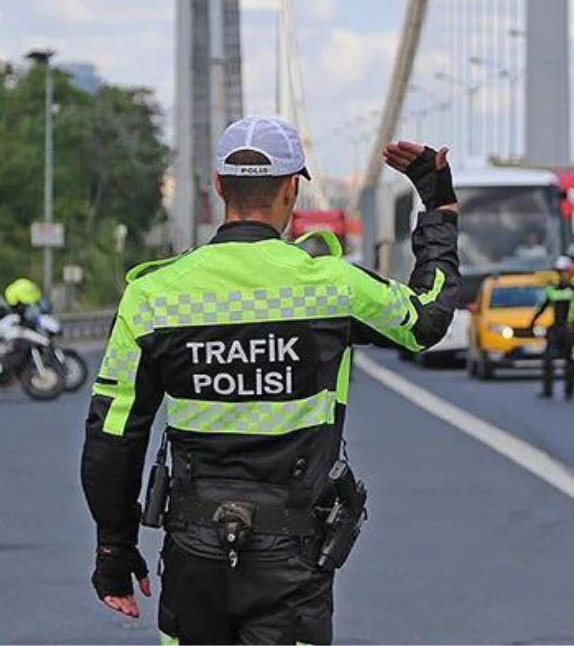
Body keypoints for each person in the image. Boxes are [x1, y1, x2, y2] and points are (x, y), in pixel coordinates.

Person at [80, 114, 460, 645]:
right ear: (291, 188)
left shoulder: (154, 296)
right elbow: (428, 319)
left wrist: (113, 550)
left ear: (218, 187)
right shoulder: (332, 285)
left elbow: (112, 436)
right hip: (293, 556)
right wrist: (437, 207)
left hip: (194, 551)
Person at [528, 256, 574, 401]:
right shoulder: (552, 289)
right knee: (548, 359)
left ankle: (569, 391)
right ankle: (547, 390)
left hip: (570, 328)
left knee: (570, 361)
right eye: (560, 272)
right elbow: (542, 306)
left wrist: (568, 283)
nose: (562, 275)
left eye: (565, 272)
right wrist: (532, 322)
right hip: (556, 328)